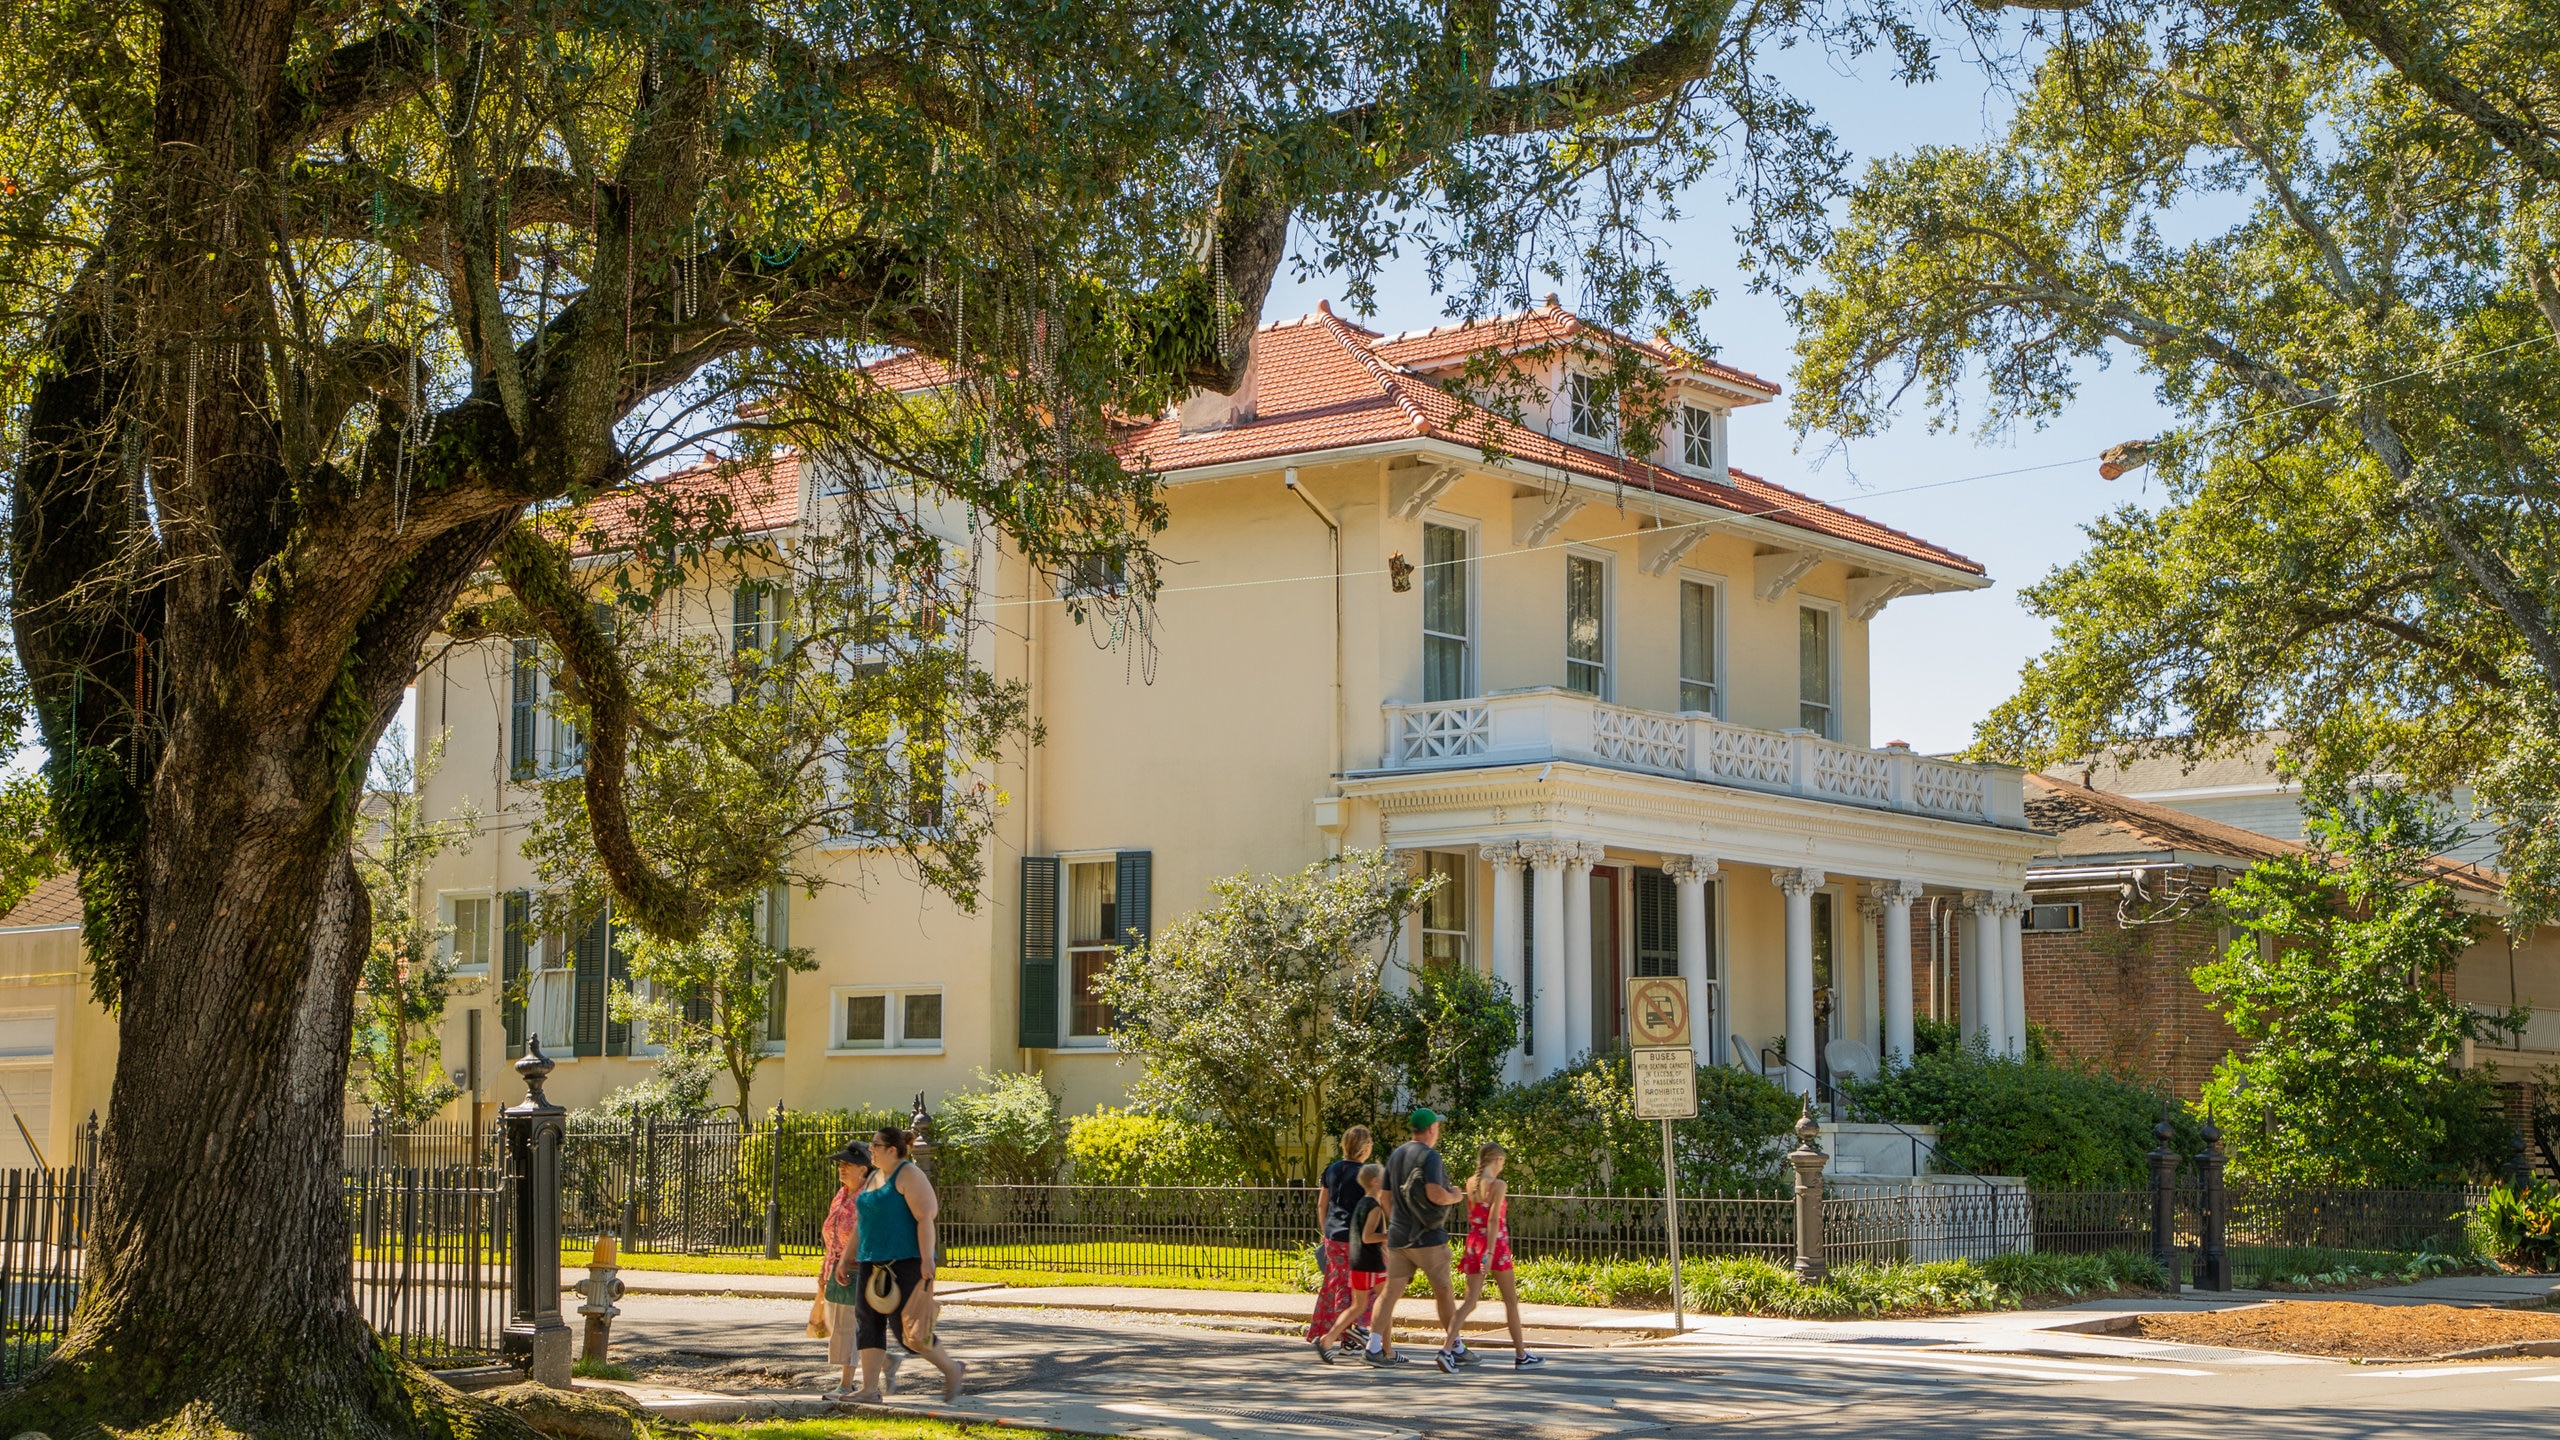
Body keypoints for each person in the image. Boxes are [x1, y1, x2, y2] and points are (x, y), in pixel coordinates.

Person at [852, 1126, 966, 1402]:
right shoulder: (875, 1177)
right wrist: (846, 1260)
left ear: (892, 1150)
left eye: (875, 1145)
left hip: (906, 1261)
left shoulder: (910, 1175)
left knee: (908, 1331)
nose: (871, 1149)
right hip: (872, 1260)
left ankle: (951, 1369)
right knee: (867, 1323)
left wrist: (927, 1259)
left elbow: (925, 1217)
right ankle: (869, 1389)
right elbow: (862, 1223)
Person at [1365, 1108, 1468, 1371]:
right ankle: (1455, 1346)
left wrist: (1399, 1222)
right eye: (1438, 1127)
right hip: (1428, 1238)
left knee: (1390, 1293)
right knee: (1443, 1291)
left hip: (1400, 1238)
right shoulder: (1429, 1156)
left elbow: (1385, 1198)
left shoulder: (1396, 1155)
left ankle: (1373, 1347)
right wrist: (1455, 1196)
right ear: (1431, 1129)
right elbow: (1435, 1194)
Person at [1447, 1142, 1541, 1369]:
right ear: (1497, 1160)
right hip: (1495, 1245)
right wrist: (1489, 1253)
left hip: (1473, 1243)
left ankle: (1446, 1348)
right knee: (1510, 1300)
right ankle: (1521, 1355)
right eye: (1502, 1162)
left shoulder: (1471, 1183)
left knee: (1469, 1301)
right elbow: (1493, 1220)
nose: (1502, 1167)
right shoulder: (1498, 1185)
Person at [817, 1142, 897, 1401]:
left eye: (847, 1164)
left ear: (863, 1169)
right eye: (840, 1164)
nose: (841, 1168)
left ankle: (846, 1385)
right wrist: (824, 1271)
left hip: (860, 1271)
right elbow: (831, 1238)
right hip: (838, 1272)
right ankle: (884, 1362)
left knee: (849, 1328)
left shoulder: (869, 1197)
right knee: (843, 1325)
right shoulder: (841, 1195)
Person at [1305, 1125, 1375, 1353]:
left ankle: (1344, 1336)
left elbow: (1321, 1203)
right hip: (1356, 1236)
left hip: (1333, 1237)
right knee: (1364, 1284)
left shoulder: (1331, 1170)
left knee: (1337, 1286)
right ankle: (1355, 1332)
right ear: (1365, 1148)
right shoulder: (1366, 1174)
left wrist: (1326, 1231)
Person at [1314, 1162, 1388, 1361]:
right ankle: (1383, 1351)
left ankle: (1328, 1339)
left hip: (1358, 1261)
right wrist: (1387, 1237)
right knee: (1385, 1301)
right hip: (1371, 1262)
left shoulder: (1362, 1203)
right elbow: (1367, 1236)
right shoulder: (1374, 1206)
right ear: (1375, 1182)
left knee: (1358, 1305)